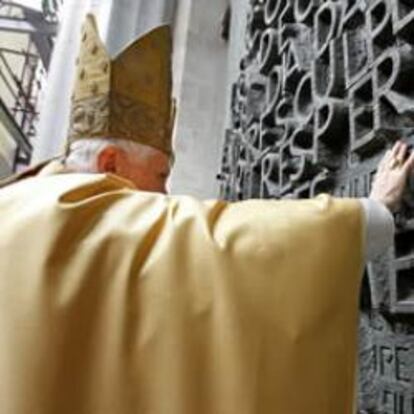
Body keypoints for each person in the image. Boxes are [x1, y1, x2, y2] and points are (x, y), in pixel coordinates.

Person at [0, 14, 412, 414]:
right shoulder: (82, 215)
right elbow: (231, 248)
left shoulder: (18, 206)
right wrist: (371, 213)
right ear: (110, 163)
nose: (165, 191)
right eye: (161, 174)